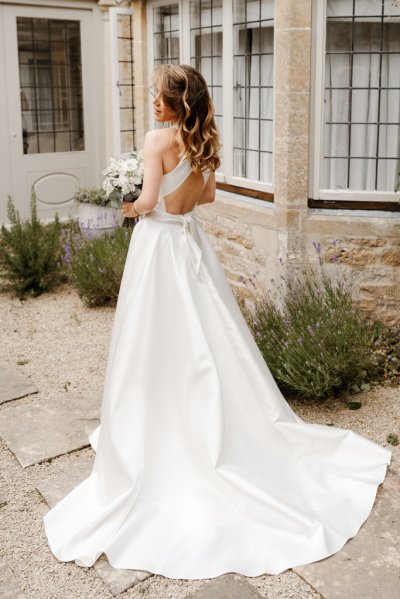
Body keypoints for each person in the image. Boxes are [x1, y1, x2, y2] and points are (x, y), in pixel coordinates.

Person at [43, 63, 391, 580]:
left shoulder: (156, 139)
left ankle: (160, 425)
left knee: (153, 340)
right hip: (190, 246)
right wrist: (163, 195)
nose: (154, 103)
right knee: (206, 336)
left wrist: (126, 205)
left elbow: (147, 202)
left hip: (160, 247)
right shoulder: (203, 142)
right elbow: (204, 199)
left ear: (178, 102)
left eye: (161, 98)